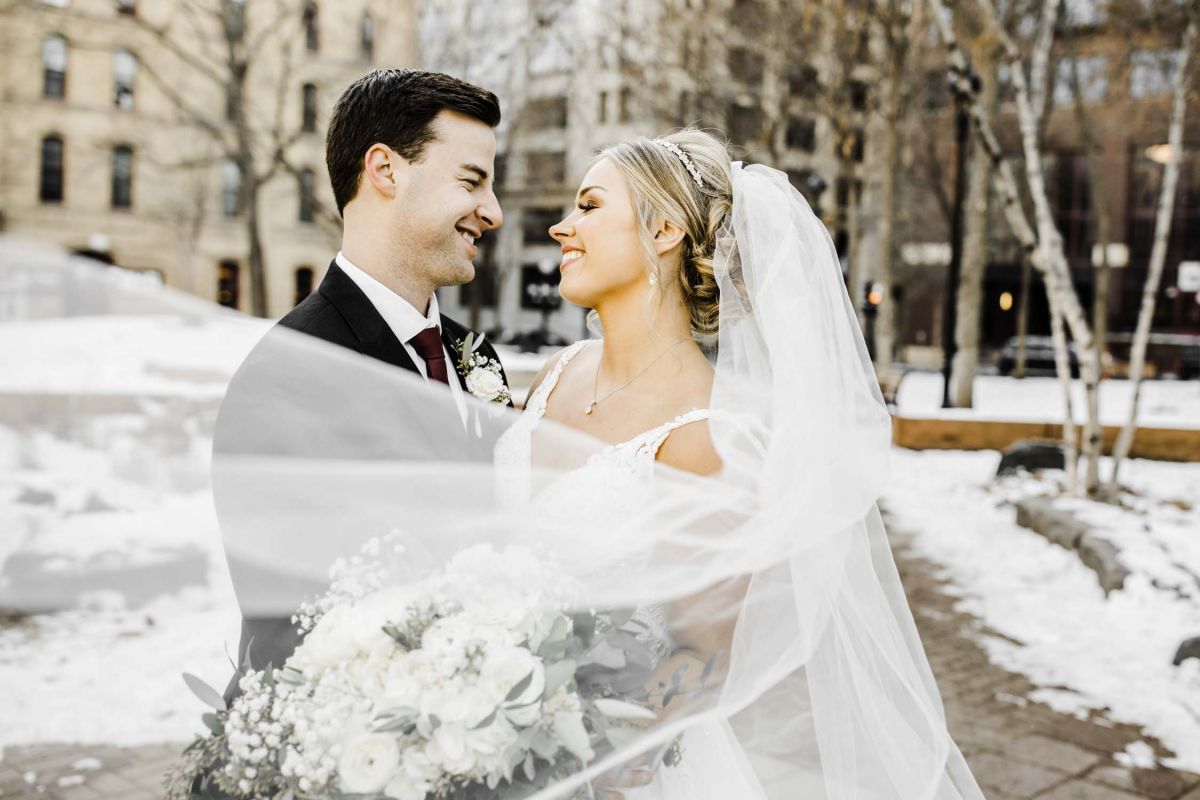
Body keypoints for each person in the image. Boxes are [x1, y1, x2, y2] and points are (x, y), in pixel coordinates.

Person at [212, 68, 512, 702]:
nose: (494, 211)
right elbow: (294, 636)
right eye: (472, 181)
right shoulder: (289, 376)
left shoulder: (476, 357)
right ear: (386, 171)